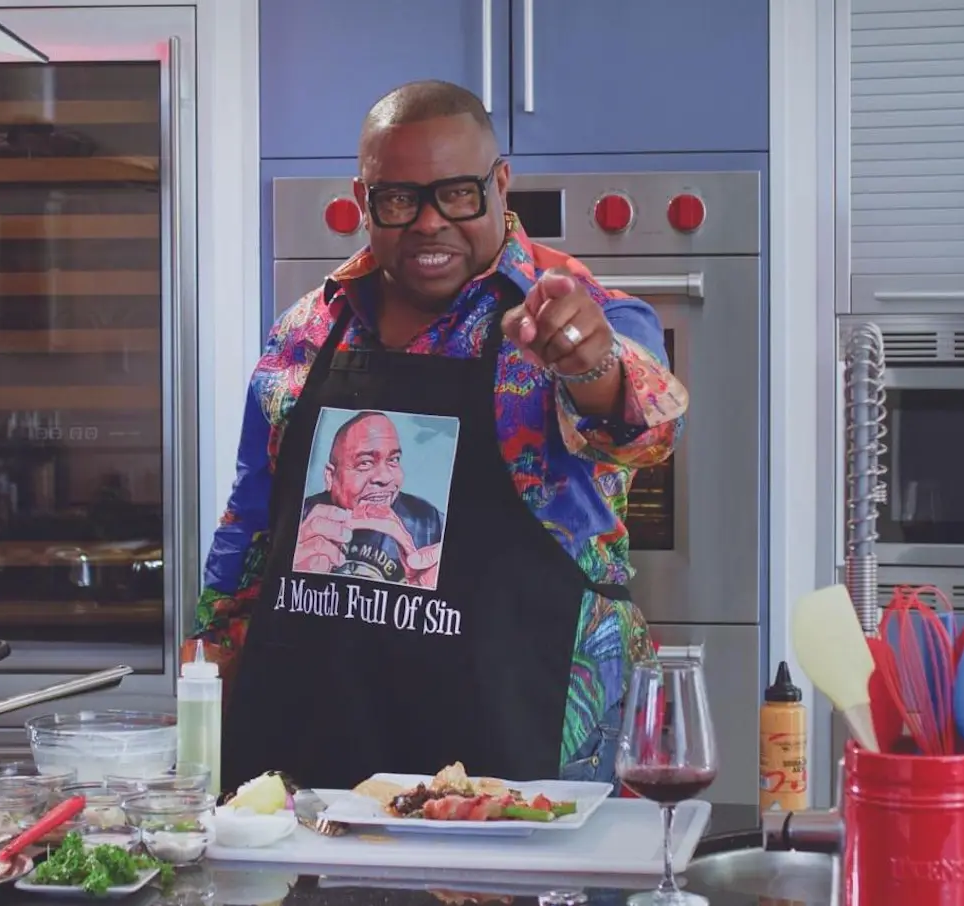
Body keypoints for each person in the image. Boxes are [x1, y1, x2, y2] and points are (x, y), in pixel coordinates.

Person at [185, 80, 689, 792]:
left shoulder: (576, 310)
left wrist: (591, 364)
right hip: (317, 751)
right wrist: (204, 680)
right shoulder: (306, 329)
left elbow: (646, 426)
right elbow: (250, 525)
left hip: (517, 749)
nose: (429, 222)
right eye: (399, 199)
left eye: (457, 194)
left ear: (500, 185)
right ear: (363, 200)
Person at [296, 410, 445, 588]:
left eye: (393, 460)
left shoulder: (429, 523)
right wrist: (292, 570)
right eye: (364, 463)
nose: (385, 477)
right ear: (330, 477)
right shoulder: (301, 520)